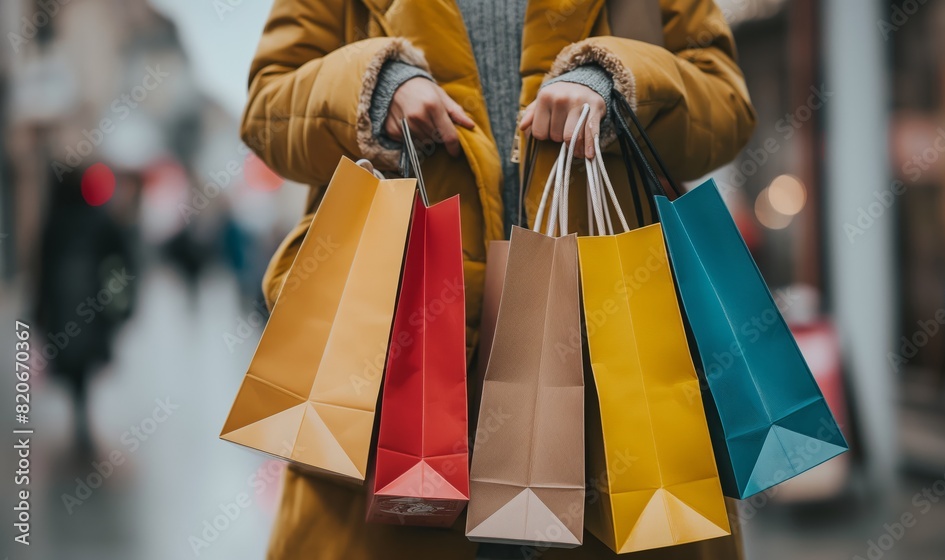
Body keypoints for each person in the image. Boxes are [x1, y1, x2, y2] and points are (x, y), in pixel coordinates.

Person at [240, 1, 756, 558]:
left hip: (610, 374)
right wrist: (375, 87)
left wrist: (615, 82)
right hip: (391, 357)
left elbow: (724, 108)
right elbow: (268, 109)